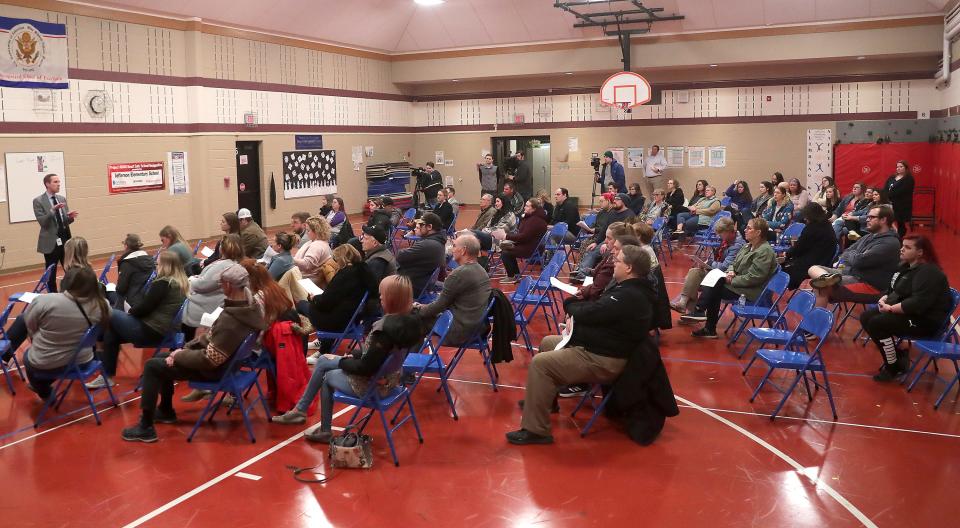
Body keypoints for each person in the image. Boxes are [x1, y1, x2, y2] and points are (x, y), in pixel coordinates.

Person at [506, 246, 653, 445]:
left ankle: (536, 430)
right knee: (549, 342)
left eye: (617, 261)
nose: (613, 264)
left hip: (606, 358)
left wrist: (572, 309)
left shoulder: (628, 295)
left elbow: (591, 313)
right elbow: (598, 315)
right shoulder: (626, 289)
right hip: (601, 346)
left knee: (541, 364)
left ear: (628, 268)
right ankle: (546, 402)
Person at [120, 263, 267, 442]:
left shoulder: (232, 319)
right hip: (229, 366)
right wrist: (183, 350)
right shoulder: (248, 308)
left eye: (221, 284)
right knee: (161, 358)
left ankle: (146, 426)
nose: (221, 287)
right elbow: (210, 340)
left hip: (213, 371)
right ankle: (165, 410)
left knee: (152, 366)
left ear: (228, 286)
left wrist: (180, 355)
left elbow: (211, 359)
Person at [273, 275, 427, 444]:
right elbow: (379, 355)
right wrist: (353, 355)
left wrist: (342, 362)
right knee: (325, 361)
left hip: (373, 385)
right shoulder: (407, 325)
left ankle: (309, 417)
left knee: (326, 373)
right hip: (391, 381)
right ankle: (302, 412)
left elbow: (366, 367)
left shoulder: (383, 331)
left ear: (392, 298)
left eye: (382, 294)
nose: (380, 297)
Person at [4, 268, 107, 403]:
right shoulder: (102, 305)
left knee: (29, 359)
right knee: (48, 361)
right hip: (83, 361)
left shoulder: (45, 301)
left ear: (67, 283)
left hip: (47, 361)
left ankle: (45, 391)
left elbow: (30, 326)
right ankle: (43, 385)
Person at [88, 251, 188, 389]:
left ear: (165, 265)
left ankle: (91, 349)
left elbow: (144, 309)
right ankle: (106, 376)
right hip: (164, 330)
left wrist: (130, 312)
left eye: (158, 263)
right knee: (112, 332)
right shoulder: (180, 283)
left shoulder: (163, 283)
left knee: (107, 312)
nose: (156, 265)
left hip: (150, 331)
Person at [861, 234, 952, 381]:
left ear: (920, 252)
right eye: (902, 246)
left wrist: (890, 309)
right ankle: (897, 358)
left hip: (926, 321)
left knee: (878, 323)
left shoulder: (929, 272)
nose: (901, 250)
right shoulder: (907, 267)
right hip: (912, 315)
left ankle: (892, 368)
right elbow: (895, 290)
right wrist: (885, 298)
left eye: (907, 247)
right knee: (867, 316)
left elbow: (917, 303)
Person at [681, 217, 778, 339]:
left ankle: (703, 315)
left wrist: (732, 279)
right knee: (716, 281)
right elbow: (734, 263)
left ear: (758, 232)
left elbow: (755, 278)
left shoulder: (764, 251)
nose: (745, 230)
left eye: (749, 228)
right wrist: (731, 271)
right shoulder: (748, 246)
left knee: (716, 286)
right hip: (739, 284)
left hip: (752, 290)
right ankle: (704, 318)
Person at [809, 204, 900, 308]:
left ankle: (817, 321)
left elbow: (858, 261)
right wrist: (849, 260)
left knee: (821, 287)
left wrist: (854, 254)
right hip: (852, 274)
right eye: (867, 216)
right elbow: (847, 251)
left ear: (883, 220)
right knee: (813, 268)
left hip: (871, 285)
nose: (867, 220)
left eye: (871, 217)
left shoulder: (889, 243)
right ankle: (827, 279)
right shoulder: (869, 236)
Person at [297, 244, 377, 359]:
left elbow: (325, 303)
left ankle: (310, 350)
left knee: (301, 305)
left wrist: (314, 298)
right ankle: (323, 345)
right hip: (353, 318)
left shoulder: (345, 275)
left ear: (342, 259)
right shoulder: (364, 270)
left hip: (338, 321)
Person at [416, 233, 492, 344]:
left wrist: (417, 308)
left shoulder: (459, 274)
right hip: (476, 328)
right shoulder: (481, 270)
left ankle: (408, 359)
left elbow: (438, 307)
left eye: (455, 245)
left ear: (463, 250)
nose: (452, 249)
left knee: (413, 318)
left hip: (458, 331)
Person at [671, 216, 744, 315]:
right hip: (716, 272)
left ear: (728, 231)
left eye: (720, 233)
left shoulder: (737, 245)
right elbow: (717, 259)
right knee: (694, 273)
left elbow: (725, 266)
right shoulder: (727, 240)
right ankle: (688, 309)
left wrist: (709, 264)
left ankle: (690, 310)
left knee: (693, 277)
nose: (718, 236)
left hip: (725, 277)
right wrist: (705, 263)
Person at [181, 234, 244, 345]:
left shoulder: (223, 265)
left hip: (206, 307)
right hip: (214, 301)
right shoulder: (233, 263)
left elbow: (202, 285)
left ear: (222, 248)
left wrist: (191, 279)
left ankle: (186, 345)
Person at [34, 173, 77, 293]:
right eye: (55, 182)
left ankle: (73, 293)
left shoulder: (62, 198)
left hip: (65, 238)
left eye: (59, 182)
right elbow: (43, 222)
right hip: (50, 241)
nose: (59, 184)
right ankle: (53, 296)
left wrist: (70, 217)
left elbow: (64, 221)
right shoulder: (38, 201)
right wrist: (53, 210)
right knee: (51, 273)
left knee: (70, 269)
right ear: (47, 184)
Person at [779, 202, 838, 290]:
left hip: (811, 265)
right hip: (824, 261)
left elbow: (798, 248)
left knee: (779, 269)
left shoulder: (811, 229)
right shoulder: (827, 224)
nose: (805, 218)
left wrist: (786, 255)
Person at [498, 198, 549, 284]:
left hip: (531, 248)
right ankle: (516, 275)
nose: (524, 207)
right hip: (528, 244)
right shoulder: (531, 218)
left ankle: (511, 276)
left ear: (534, 209)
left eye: (527, 206)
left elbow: (524, 237)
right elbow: (522, 234)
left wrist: (506, 236)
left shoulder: (535, 220)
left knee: (506, 253)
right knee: (507, 250)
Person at [396, 212, 447, 297]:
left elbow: (399, 256)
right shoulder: (437, 241)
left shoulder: (428, 244)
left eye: (420, 225)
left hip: (411, 286)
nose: (417, 227)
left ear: (429, 227)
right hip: (418, 281)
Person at [114, 233, 156, 310]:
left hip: (132, 303)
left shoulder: (127, 264)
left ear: (126, 246)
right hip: (147, 297)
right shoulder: (150, 260)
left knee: (113, 294)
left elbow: (120, 289)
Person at [293, 216, 333, 284]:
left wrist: (290, 259)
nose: (306, 233)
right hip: (305, 277)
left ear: (317, 231)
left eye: (308, 230)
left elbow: (307, 264)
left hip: (307, 280)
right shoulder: (318, 242)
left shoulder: (317, 245)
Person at [884, 160, 916, 238]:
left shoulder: (909, 179)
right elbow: (885, 187)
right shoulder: (892, 177)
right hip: (890, 202)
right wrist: (884, 196)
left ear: (906, 168)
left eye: (901, 166)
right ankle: (889, 234)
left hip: (902, 204)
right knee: (888, 219)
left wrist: (889, 195)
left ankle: (900, 237)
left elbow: (901, 191)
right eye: (897, 167)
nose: (898, 168)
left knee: (900, 222)